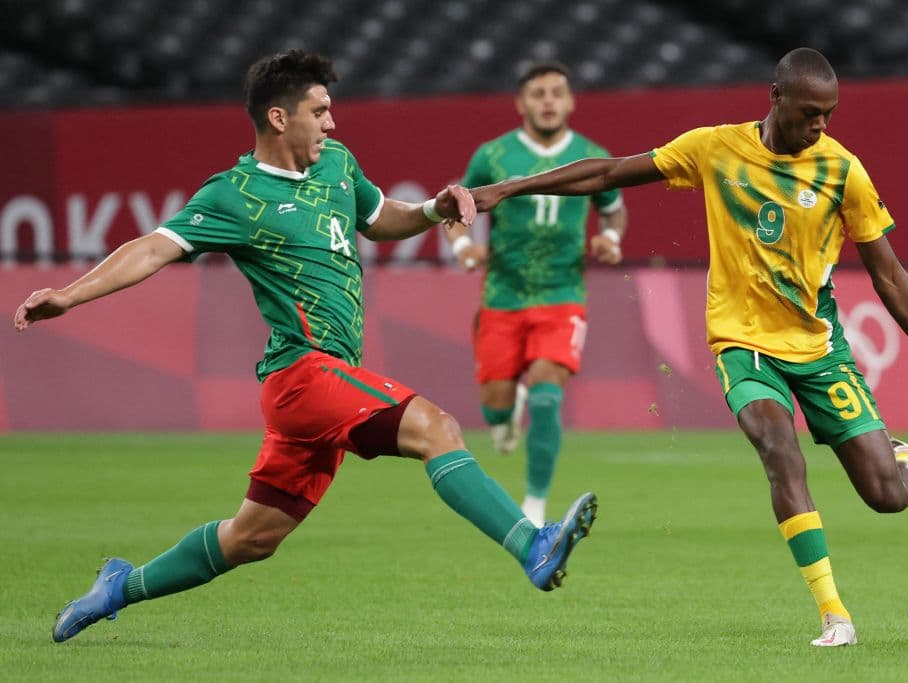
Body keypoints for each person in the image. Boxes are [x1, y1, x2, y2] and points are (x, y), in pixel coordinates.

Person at [15, 50, 598, 644]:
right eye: (319, 111)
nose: (331, 123)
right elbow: (152, 247)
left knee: (251, 538)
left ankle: (119, 585)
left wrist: (429, 210)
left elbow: (379, 218)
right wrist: (69, 295)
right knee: (436, 429)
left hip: (324, 383)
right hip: (302, 374)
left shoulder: (338, 165)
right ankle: (533, 545)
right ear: (277, 118)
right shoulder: (234, 195)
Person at [471, 47, 908, 647]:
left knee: (886, 496)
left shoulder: (844, 171)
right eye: (811, 112)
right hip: (742, 343)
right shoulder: (715, 148)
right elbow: (608, 172)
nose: (821, 125)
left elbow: (890, 276)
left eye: (830, 114)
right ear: (776, 97)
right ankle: (834, 614)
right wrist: (508, 189)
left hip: (818, 348)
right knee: (777, 447)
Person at [446, 62, 627, 527]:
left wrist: (611, 239)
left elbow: (614, 210)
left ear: (569, 102)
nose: (548, 100)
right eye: (538, 93)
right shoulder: (493, 156)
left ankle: (534, 504)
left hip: (562, 296)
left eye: (556, 93)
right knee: (495, 405)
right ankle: (504, 417)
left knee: (547, 395)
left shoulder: (591, 155)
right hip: (502, 297)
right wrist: (465, 246)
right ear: (522, 103)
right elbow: (454, 212)